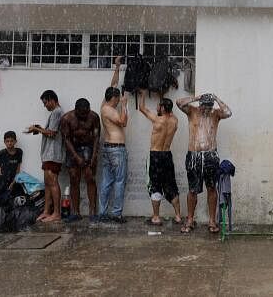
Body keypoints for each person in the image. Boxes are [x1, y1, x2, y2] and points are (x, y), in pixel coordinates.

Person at [176, 93, 232, 233]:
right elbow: (178, 103)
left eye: (208, 107)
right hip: (194, 156)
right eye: (203, 106)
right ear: (200, 105)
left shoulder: (216, 114)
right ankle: (190, 219)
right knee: (192, 190)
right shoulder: (192, 111)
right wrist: (196, 98)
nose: (205, 110)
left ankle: (212, 221)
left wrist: (217, 99)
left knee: (212, 188)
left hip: (210, 156)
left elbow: (228, 112)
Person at [139, 90, 182, 226]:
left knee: (155, 185)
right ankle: (178, 216)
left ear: (162, 108)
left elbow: (142, 108)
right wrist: (162, 98)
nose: (157, 107)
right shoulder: (174, 120)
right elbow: (169, 111)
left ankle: (156, 217)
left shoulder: (157, 120)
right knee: (171, 185)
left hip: (156, 155)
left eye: (158, 106)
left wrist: (143, 95)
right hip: (167, 155)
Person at [98, 56, 129, 223]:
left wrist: (117, 67)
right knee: (119, 181)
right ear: (114, 98)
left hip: (108, 148)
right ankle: (116, 214)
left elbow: (113, 85)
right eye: (118, 99)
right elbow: (123, 122)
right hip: (116, 149)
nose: (118, 101)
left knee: (106, 181)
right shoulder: (111, 110)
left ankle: (102, 213)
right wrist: (124, 105)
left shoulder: (104, 105)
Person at [61, 98, 101, 222]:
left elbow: (96, 137)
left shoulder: (94, 117)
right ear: (76, 110)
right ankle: (76, 212)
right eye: (82, 114)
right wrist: (76, 157)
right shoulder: (67, 119)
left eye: (87, 112)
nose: (85, 116)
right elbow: (66, 139)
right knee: (74, 178)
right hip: (73, 148)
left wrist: (94, 156)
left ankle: (93, 212)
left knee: (90, 177)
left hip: (89, 147)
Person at [29, 90, 65, 223]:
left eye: (45, 103)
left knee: (53, 182)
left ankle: (56, 213)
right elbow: (50, 132)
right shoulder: (55, 113)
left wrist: (37, 129)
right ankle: (46, 211)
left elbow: (52, 133)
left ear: (52, 100)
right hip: (49, 153)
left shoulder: (56, 112)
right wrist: (38, 129)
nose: (45, 106)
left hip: (53, 153)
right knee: (48, 183)